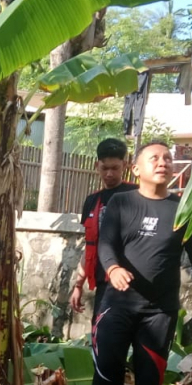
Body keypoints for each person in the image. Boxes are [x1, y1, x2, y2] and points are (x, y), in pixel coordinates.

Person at [93, 140, 192, 385]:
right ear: (136, 169)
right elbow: (106, 243)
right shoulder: (122, 202)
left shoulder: (183, 210)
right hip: (118, 305)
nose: (163, 162)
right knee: (109, 369)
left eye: (167, 157)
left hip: (159, 311)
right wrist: (113, 268)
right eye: (154, 158)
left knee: (150, 378)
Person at [69, 138, 137, 323]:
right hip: (103, 283)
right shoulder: (92, 201)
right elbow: (90, 246)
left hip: (135, 285)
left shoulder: (137, 195)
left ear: (125, 165)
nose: (109, 174)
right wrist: (78, 286)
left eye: (114, 168)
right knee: (100, 337)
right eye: (104, 168)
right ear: (96, 165)